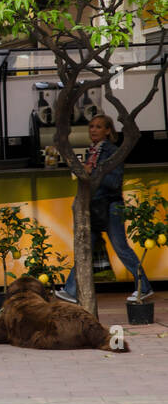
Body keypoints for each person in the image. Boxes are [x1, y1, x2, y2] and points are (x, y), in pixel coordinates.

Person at [57, 115, 153, 303]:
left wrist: (94, 171)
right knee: (84, 247)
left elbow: (114, 181)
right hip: (95, 206)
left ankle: (145, 287)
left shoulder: (111, 151)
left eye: (98, 127)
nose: (93, 130)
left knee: (121, 248)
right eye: (91, 126)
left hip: (110, 206)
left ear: (108, 130)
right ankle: (71, 289)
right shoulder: (93, 151)